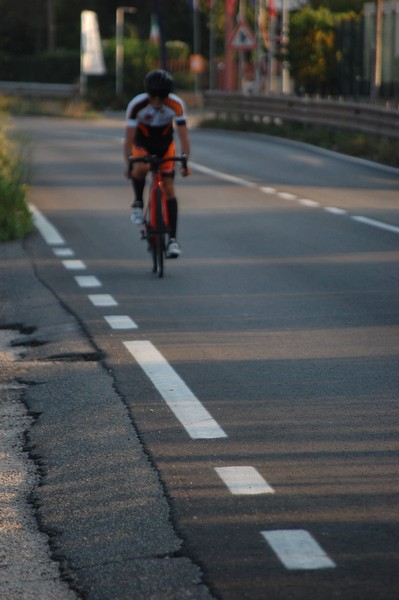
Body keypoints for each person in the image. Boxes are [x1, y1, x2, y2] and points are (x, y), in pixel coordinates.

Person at [124, 69, 190, 258]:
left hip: (164, 144)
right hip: (142, 142)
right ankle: (137, 203)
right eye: (153, 96)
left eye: (161, 97)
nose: (156, 102)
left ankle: (172, 240)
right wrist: (127, 164)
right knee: (141, 167)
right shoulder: (136, 105)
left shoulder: (176, 105)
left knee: (168, 188)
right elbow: (128, 139)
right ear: (148, 94)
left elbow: (184, 137)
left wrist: (185, 161)